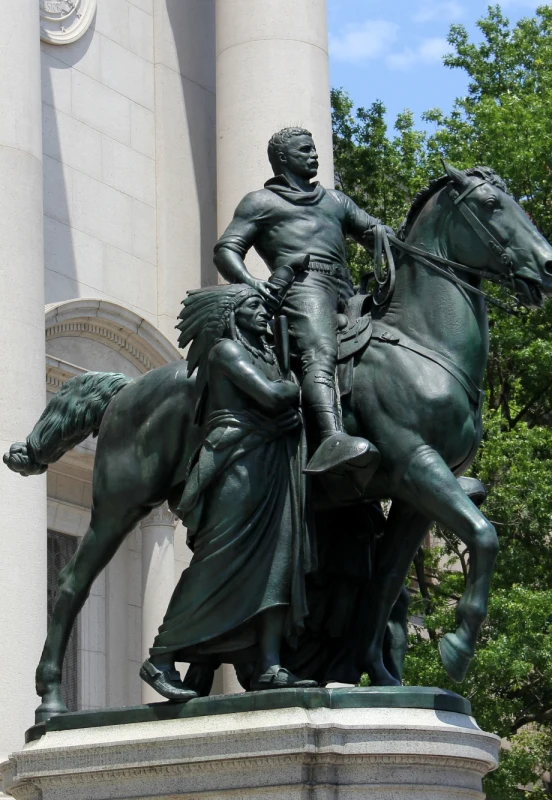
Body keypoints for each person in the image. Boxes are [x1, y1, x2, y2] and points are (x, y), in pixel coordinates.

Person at [139, 284, 318, 700]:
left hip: (273, 462)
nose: (262, 315)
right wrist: (297, 384)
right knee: (218, 560)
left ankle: (271, 663)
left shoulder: (268, 356)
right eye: (252, 307)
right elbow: (273, 396)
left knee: (279, 562)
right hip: (237, 462)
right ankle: (161, 656)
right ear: (231, 315)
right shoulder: (227, 352)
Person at [213, 127, 395, 479]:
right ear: (283, 159)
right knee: (319, 352)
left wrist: (396, 238)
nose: (315, 155)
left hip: (345, 287)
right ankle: (330, 439)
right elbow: (227, 248)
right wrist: (252, 282)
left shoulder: (336, 201)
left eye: (314, 149)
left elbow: (374, 232)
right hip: (303, 286)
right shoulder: (261, 202)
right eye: (305, 150)